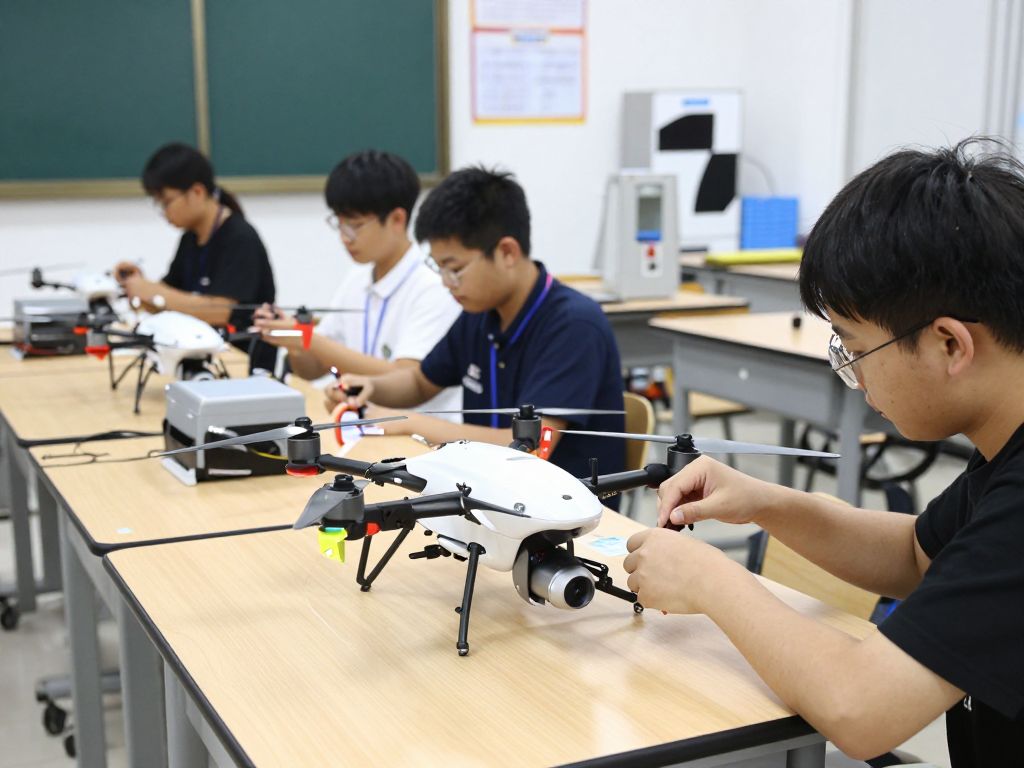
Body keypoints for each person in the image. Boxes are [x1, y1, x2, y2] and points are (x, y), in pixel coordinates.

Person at [622, 139, 1024, 765]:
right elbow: (918, 555)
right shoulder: (1005, 439)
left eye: (856, 348)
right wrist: (765, 503)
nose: (857, 379)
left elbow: (861, 711)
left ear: (950, 345)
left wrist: (710, 579)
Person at [337, 166, 626, 493]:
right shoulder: (481, 311)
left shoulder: (573, 325)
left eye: (455, 269)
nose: (446, 283)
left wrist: (411, 423)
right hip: (488, 494)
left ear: (506, 252)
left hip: (560, 515)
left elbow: (528, 450)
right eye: (440, 268)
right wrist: (370, 387)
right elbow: (420, 381)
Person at [252, 149, 461, 412]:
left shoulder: (434, 286)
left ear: (397, 219)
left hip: (415, 437)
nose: (344, 237)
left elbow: (405, 376)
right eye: (338, 224)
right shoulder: (358, 277)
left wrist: (307, 338)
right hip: (359, 425)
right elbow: (312, 369)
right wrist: (291, 337)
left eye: (355, 225)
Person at [115, 143, 276, 331]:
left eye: (166, 202)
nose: (164, 213)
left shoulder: (240, 238)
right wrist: (137, 287)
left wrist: (152, 292)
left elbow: (222, 311)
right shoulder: (190, 238)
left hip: (240, 356)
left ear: (197, 192)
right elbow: (168, 302)